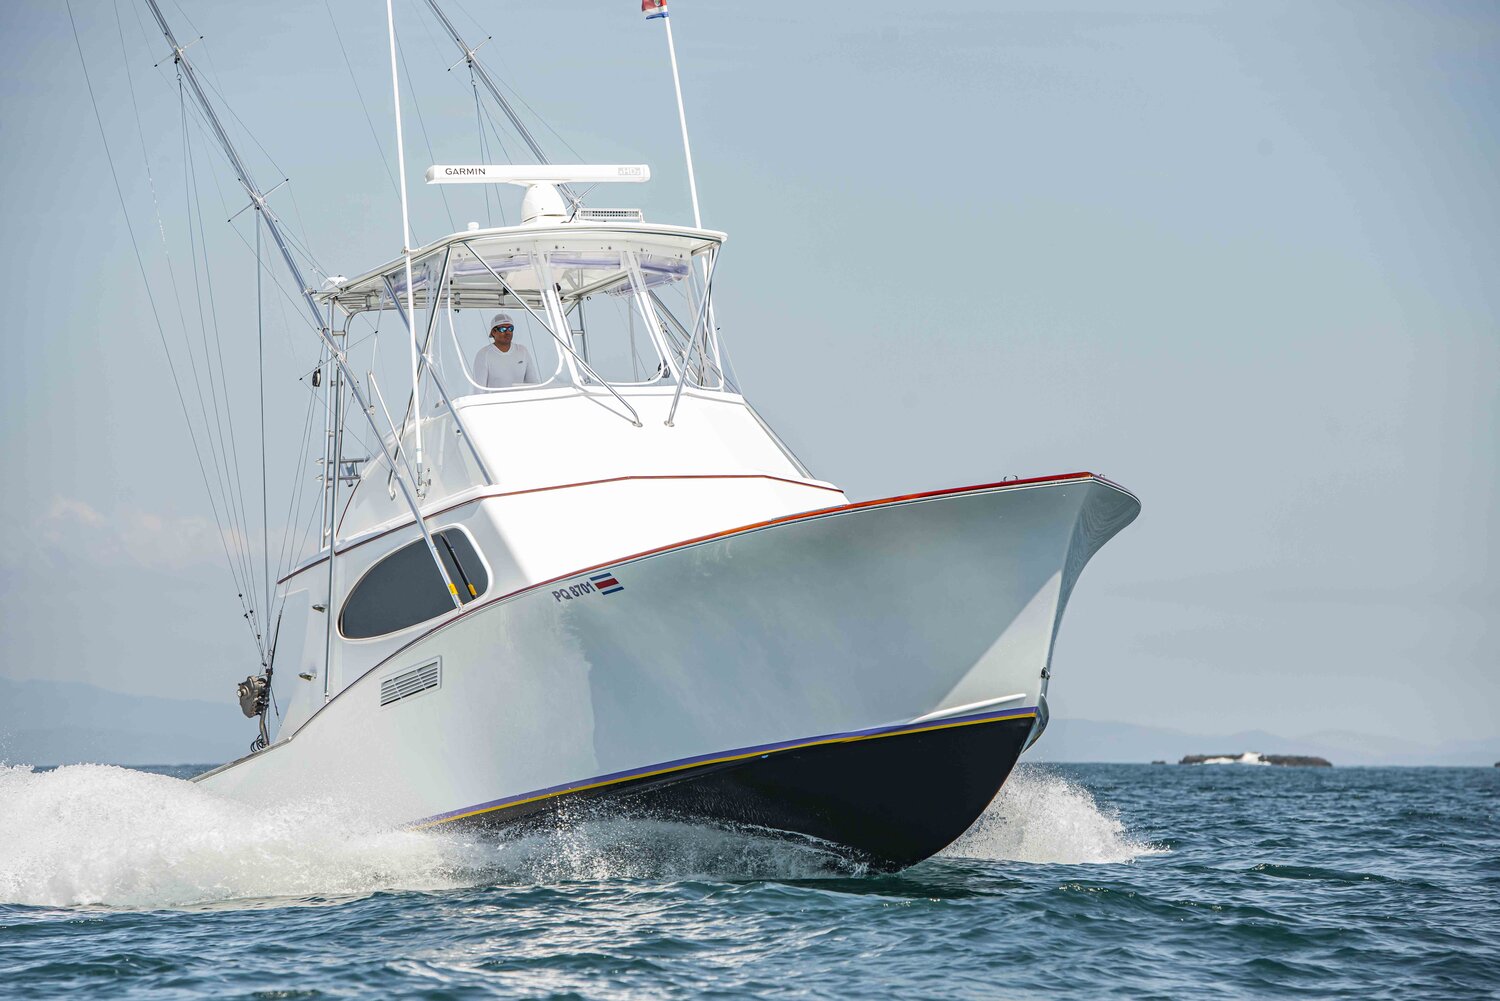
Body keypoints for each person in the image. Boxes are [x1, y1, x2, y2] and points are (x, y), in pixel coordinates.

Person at [472, 312, 539, 389]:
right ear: (493, 332)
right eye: (503, 329)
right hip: (496, 397)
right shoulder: (483, 354)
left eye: (510, 329)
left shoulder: (522, 351)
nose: (507, 332)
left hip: (519, 397)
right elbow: (478, 389)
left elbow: (533, 383)